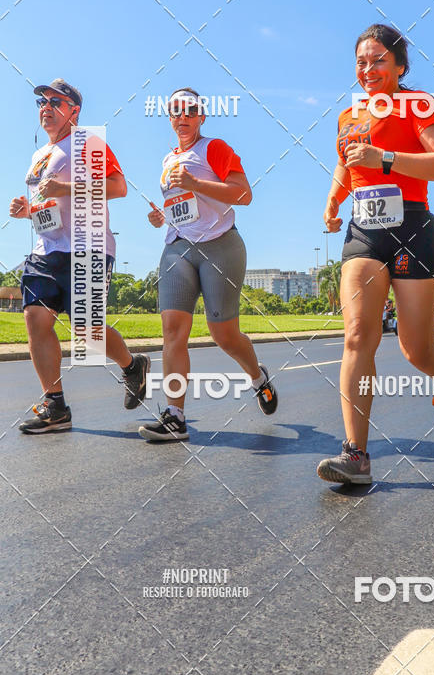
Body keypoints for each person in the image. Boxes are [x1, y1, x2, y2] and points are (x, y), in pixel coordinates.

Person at [318, 24, 434, 485]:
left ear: (400, 65)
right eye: (361, 61)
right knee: (358, 335)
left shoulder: (418, 105)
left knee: (415, 349)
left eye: (378, 59)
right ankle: (355, 454)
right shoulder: (348, 115)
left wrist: (384, 158)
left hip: (414, 228)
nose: (368, 68)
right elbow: (347, 160)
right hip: (364, 233)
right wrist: (333, 200)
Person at [10, 79, 150, 434]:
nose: (45, 107)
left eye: (54, 101)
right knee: (35, 320)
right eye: (41, 102)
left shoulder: (88, 143)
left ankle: (132, 366)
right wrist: (27, 210)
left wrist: (65, 187)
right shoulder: (38, 155)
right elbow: (50, 205)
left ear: (74, 110)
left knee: (87, 332)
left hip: (88, 247)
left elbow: (119, 188)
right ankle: (54, 406)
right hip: (46, 251)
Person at [138, 87, 279, 441]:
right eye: (174, 112)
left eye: (189, 111)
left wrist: (195, 181)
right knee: (172, 330)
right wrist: (163, 216)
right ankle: (175, 415)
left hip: (220, 247)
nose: (181, 117)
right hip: (177, 248)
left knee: (224, 335)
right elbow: (182, 204)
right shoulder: (168, 159)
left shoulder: (213, 148)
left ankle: (257, 377)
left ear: (202, 117)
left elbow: (244, 194)